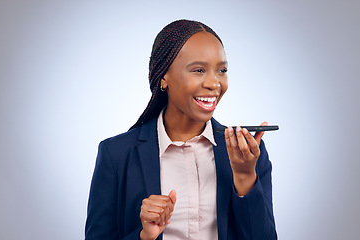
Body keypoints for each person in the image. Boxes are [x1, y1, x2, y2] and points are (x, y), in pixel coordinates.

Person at [85, 19, 277, 240]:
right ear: (164, 77)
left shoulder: (247, 155)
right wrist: (144, 237)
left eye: (222, 70)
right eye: (198, 70)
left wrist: (245, 178)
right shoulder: (116, 155)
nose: (214, 83)